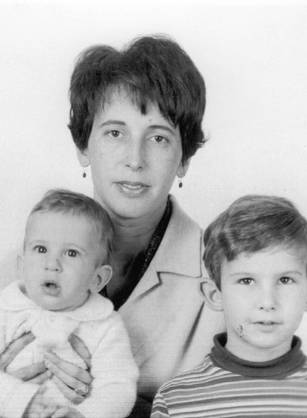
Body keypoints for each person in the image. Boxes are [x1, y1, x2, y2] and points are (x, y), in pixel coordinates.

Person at [0, 35, 224, 417]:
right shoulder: (12, 271)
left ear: (184, 158)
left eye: (158, 137)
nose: (134, 159)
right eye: (115, 132)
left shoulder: (225, 279)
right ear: (83, 146)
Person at [151, 195, 307, 417]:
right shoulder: (177, 399)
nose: (267, 302)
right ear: (215, 295)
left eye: (285, 280)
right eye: (246, 281)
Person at [0, 189, 138, 418]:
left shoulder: (105, 325)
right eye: (41, 249)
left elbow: (118, 387)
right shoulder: (6, 310)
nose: (52, 264)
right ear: (21, 265)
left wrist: (86, 414)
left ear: (97, 279)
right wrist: (19, 401)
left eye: (71, 253)